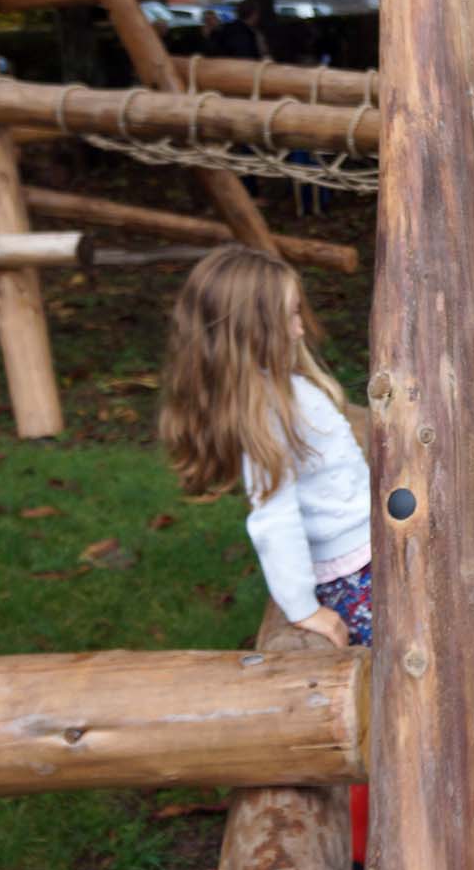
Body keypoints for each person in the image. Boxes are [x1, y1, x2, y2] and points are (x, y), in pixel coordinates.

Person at [157, 244, 371, 650]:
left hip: (366, 550)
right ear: (256, 328)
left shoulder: (279, 390)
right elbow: (275, 517)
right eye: (291, 315)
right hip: (354, 576)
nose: (300, 328)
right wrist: (302, 607)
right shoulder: (268, 410)